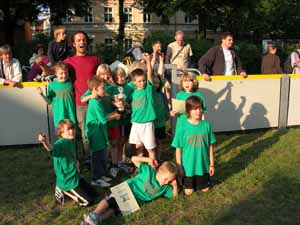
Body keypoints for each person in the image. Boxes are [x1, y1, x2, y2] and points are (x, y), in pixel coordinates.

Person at [82, 156, 178, 225]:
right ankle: (94, 214)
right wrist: (148, 159)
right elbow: (134, 159)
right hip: (127, 189)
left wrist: (175, 186)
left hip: (134, 201)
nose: (166, 182)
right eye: (166, 179)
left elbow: (174, 197)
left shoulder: (165, 188)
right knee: (111, 200)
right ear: (159, 172)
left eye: (169, 181)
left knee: (114, 210)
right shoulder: (149, 171)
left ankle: (98, 220)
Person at [38, 119, 96, 206]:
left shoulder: (71, 140)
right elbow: (51, 150)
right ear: (61, 133)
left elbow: (71, 154)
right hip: (67, 179)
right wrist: (44, 141)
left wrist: (76, 162)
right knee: (88, 202)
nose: (71, 131)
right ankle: (63, 189)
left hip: (75, 175)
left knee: (94, 194)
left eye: (72, 128)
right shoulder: (59, 144)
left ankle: (72, 190)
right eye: (68, 129)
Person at [64, 31, 101, 157]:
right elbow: (57, 73)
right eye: (78, 40)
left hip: (96, 101)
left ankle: (100, 158)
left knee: (99, 131)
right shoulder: (68, 62)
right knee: (86, 133)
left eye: (84, 40)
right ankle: (88, 159)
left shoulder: (95, 60)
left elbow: (101, 78)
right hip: (82, 103)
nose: (82, 42)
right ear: (74, 44)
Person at [172, 96, 216, 195]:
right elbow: (178, 148)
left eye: (200, 108)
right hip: (188, 168)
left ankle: (203, 180)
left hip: (203, 166)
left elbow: (211, 146)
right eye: (195, 109)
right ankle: (181, 182)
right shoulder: (182, 127)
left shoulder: (206, 125)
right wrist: (179, 166)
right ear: (188, 110)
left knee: (205, 190)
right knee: (189, 192)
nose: (198, 111)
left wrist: (211, 164)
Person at [85, 76, 121, 187]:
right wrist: (114, 116)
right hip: (95, 133)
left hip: (100, 132)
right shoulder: (95, 102)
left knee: (102, 154)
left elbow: (103, 116)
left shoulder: (98, 100)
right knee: (97, 156)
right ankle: (96, 178)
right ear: (95, 89)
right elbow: (103, 119)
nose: (104, 91)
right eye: (102, 88)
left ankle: (102, 175)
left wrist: (113, 113)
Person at [129, 53, 157, 160]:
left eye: (143, 80)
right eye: (139, 81)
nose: (142, 83)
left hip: (147, 124)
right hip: (136, 124)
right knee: (138, 148)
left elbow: (149, 74)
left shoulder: (148, 90)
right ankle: (140, 169)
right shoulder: (133, 93)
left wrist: (148, 61)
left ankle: (152, 168)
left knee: (150, 149)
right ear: (134, 82)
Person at [36, 62, 77, 127]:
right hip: (59, 118)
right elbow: (49, 102)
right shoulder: (52, 85)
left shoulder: (71, 82)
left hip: (71, 116)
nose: (64, 75)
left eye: (66, 73)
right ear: (56, 74)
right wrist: (42, 94)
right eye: (61, 73)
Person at [112, 67, 135, 169]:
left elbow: (132, 102)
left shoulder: (129, 88)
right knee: (117, 140)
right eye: (117, 77)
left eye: (121, 76)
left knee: (125, 138)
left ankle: (123, 157)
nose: (120, 79)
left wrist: (127, 105)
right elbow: (110, 101)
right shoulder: (112, 88)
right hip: (117, 119)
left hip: (127, 118)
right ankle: (117, 160)